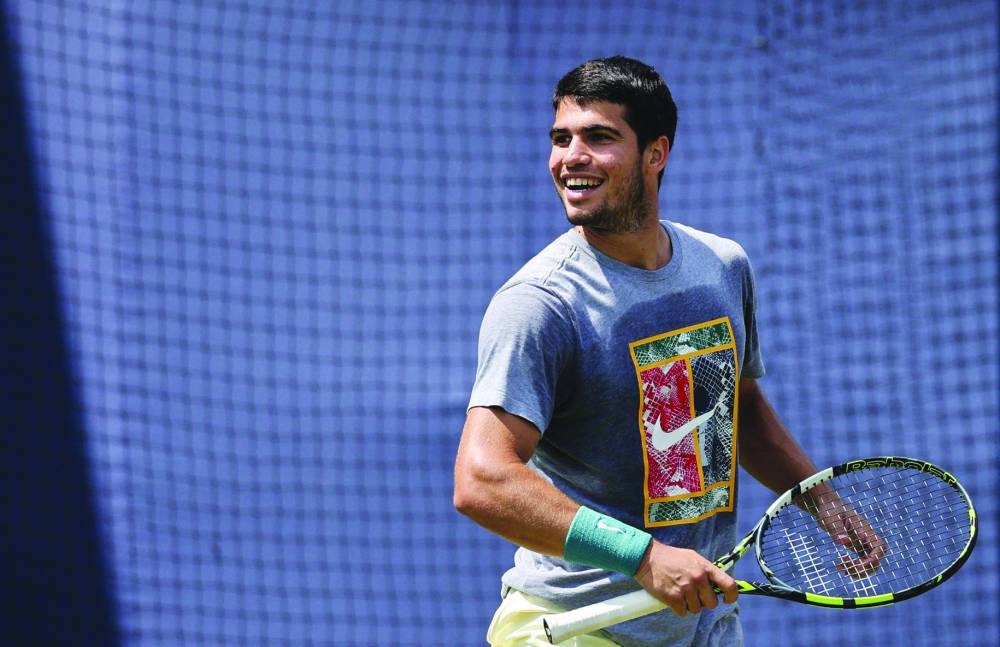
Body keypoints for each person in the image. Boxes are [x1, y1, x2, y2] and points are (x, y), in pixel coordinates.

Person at [453, 56, 874, 647]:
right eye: (561, 138)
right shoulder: (539, 304)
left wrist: (823, 505)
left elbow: (738, 410)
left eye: (599, 138)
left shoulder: (720, 266)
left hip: (702, 629)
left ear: (657, 153)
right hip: (578, 630)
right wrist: (644, 555)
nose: (570, 158)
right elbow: (482, 480)